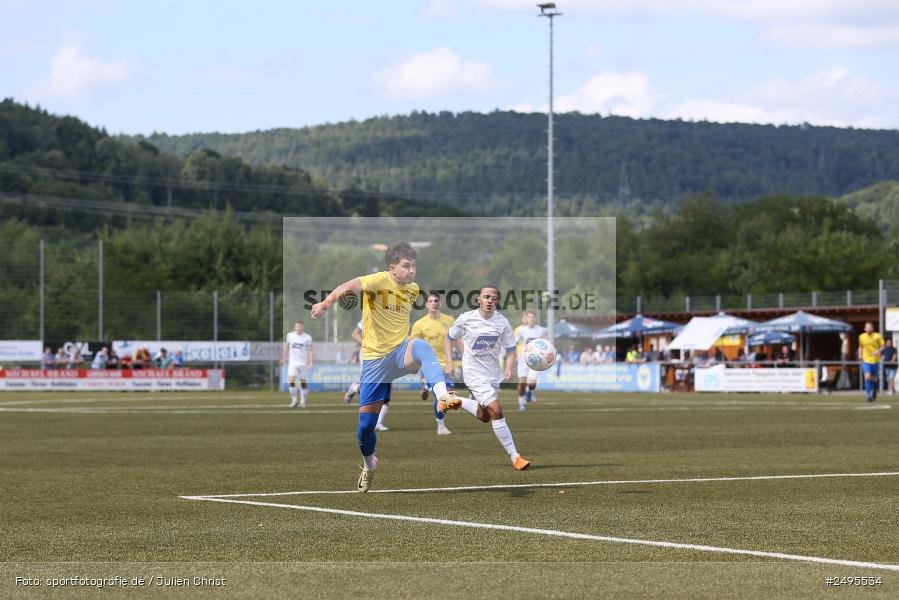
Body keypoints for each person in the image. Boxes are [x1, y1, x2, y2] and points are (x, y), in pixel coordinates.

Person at [311, 241, 459, 492]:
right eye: (406, 266)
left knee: (422, 346)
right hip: (374, 361)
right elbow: (346, 287)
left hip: (400, 352)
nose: (412, 271)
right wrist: (325, 303)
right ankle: (369, 464)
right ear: (392, 268)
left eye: (414, 266)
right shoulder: (377, 280)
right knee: (365, 428)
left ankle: (442, 394)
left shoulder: (413, 289)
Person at [444, 285, 530, 470]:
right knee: (497, 410)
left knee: (485, 416)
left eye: (494, 297)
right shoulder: (466, 319)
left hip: (493, 375)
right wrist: (449, 363)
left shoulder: (502, 322)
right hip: (474, 374)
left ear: (497, 301)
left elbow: (511, 350)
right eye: (486, 296)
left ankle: (453, 400)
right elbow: (449, 337)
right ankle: (515, 456)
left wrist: (508, 366)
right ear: (479, 299)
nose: (490, 300)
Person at [410, 292, 456, 434]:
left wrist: (455, 360)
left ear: (440, 303)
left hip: (447, 363)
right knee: (441, 395)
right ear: (426, 304)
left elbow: (456, 339)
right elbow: (414, 346)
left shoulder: (449, 320)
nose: (433, 303)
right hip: (430, 365)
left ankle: (425, 387)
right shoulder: (420, 324)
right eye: (430, 301)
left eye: (436, 300)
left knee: (449, 398)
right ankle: (441, 426)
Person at [514, 309, 547, 411]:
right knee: (522, 382)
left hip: (536, 359)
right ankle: (522, 403)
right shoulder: (521, 331)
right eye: (529, 317)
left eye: (533, 317)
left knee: (532, 384)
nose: (531, 319)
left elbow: (546, 343)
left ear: (536, 319)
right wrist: (514, 355)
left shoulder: (541, 330)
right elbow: (514, 344)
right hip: (523, 359)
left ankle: (529, 392)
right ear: (526, 318)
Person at [280, 320, 314, 408]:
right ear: (295, 327)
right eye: (297, 327)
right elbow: (286, 348)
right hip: (293, 362)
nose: (298, 328)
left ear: (303, 327)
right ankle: (294, 400)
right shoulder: (290, 335)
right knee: (291, 380)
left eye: (300, 326)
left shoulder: (307, 337)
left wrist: (311, 362)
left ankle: (303, 400)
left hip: (303, 363)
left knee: (303, 382)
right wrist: (283, 358)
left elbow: (310, 350)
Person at [858, 322, 884, 402]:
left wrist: (877, 351)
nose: (868, 329)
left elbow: (883, 346)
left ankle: (875, 391)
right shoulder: (861, 336)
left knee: (875, 379)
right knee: (867, 377)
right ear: (864, 329)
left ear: (872, 328)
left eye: (870, 327)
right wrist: (860, 354)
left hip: (875, 360)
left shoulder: (877, 336)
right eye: (867, 327)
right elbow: (860, 347)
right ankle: (868, 395)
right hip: (866, 360)